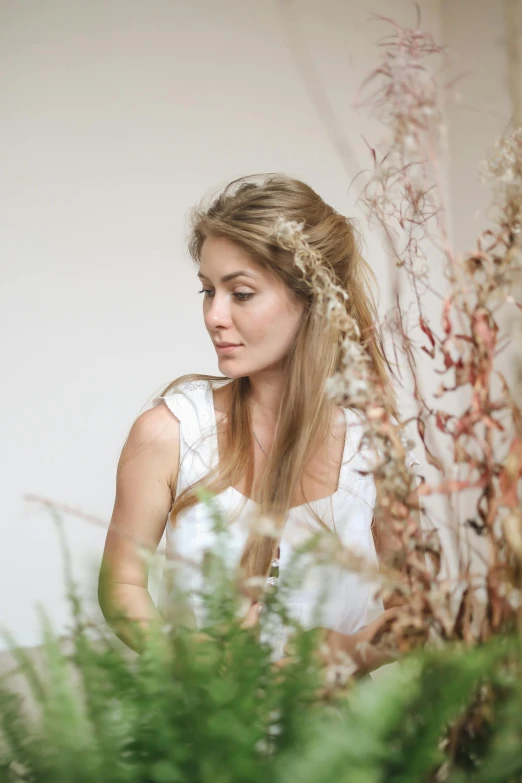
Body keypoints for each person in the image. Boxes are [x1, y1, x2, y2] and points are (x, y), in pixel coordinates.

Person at [98, 173, 419, 676]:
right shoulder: (170, 432)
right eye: (208, 291)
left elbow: (417, 610)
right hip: (203, 740)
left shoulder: (374, 446)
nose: (214, 316)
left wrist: (351, 652)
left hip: (337, 744)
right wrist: (182, 656)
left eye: (240, 293)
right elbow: (121, 585)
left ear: (313, 298)